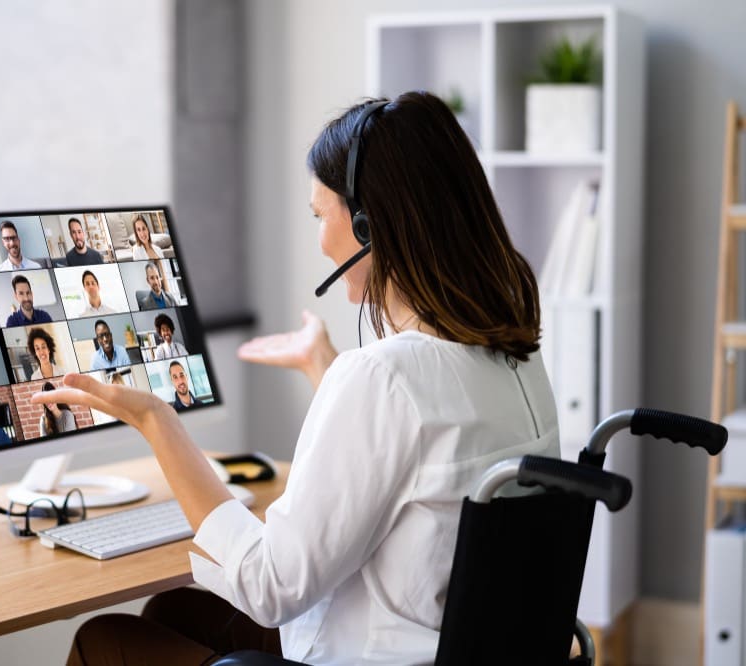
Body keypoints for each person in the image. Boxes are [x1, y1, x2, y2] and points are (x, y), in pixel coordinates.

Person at [34, 91, 558, 665]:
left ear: (368, 224)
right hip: (454, 647)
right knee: (173, 614)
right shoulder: (515, 358)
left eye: (319, 216)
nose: (319, 241)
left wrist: (155, 419)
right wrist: (321, 365)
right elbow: (415, 446)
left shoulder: (381, 377)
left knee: (102, 641)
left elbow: (269, 585)